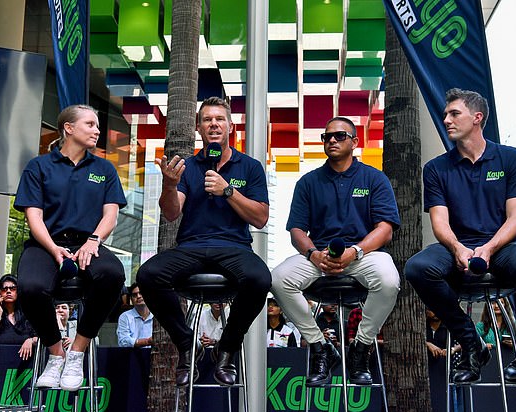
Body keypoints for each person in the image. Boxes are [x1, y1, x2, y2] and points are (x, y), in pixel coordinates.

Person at [405, 88, 516, 386]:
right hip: (456, 246)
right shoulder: (435, 169)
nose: (446, 119)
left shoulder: (511, 158)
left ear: (477, 118)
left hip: (505, 245)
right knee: (417, 268)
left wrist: (488, 248)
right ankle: (471, 343)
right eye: (446, 114)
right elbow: (439, 222)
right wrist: (458, 248)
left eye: (454, 113)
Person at [136, 97, 271, 387]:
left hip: (234, 247)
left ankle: (228, 348)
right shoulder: (188, 166)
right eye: (207, 120)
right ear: (199, 127)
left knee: (260, 278)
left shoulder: (249, 167)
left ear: (230, 126)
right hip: (191, 247)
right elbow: (172, 213)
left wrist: (229, 192)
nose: (213, 124)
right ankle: (187, 345)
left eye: (219, 119)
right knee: (148, 275)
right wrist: (170, 185)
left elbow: (260, 219)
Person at [270, 116, 401, 386]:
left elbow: (385, 229)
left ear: (355, 142)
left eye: (339, 136)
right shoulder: (308, 182)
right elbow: (296, 231)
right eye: (327, 136)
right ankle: (321, 347)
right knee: (278, 278)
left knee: (389, 280)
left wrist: (356, 251)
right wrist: (313, 255)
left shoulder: (374, 178)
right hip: (320, 256)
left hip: (363, 253)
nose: (331, 140)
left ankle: (361, 348)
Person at [14, 104, 127, 391]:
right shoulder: (38, 166)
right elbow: (33, 216)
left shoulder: (104, 168)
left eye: (97, 125)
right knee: (29, 287)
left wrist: (94, 240)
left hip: (89, 242)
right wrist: (53, 249)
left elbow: (110, 214)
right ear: (69, 128)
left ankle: (77, 351)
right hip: (46, 243)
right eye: (90, 124)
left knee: (113, 275)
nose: (97, 130)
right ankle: (55, 353)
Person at [117, 284, 154, 348]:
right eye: (134, 295)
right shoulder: (125, 317)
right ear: (131, 299)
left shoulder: (157, 316)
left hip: (155, 355)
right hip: (131, 356)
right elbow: (123, 341)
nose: (138, 296)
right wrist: (147, 342)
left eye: (141, 293)